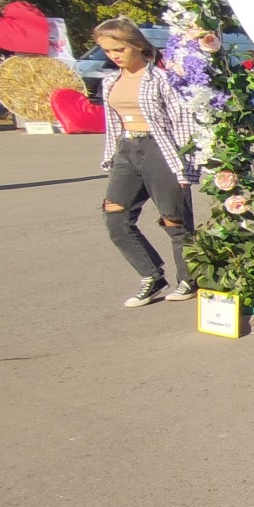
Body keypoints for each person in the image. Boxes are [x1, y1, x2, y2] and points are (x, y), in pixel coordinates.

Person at [94, 18, 199, 306]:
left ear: (138, 45)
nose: (114, 56)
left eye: (119, 49)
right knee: (115, 217)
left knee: (174, 219)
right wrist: (112, 156)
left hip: (160, 148)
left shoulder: (162, 79)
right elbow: (112, 124)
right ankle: (151, 276)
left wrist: (186, 168)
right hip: (127, 149)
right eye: (107, 51)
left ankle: (189, 279)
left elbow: (182, 122)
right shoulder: (110, 82)